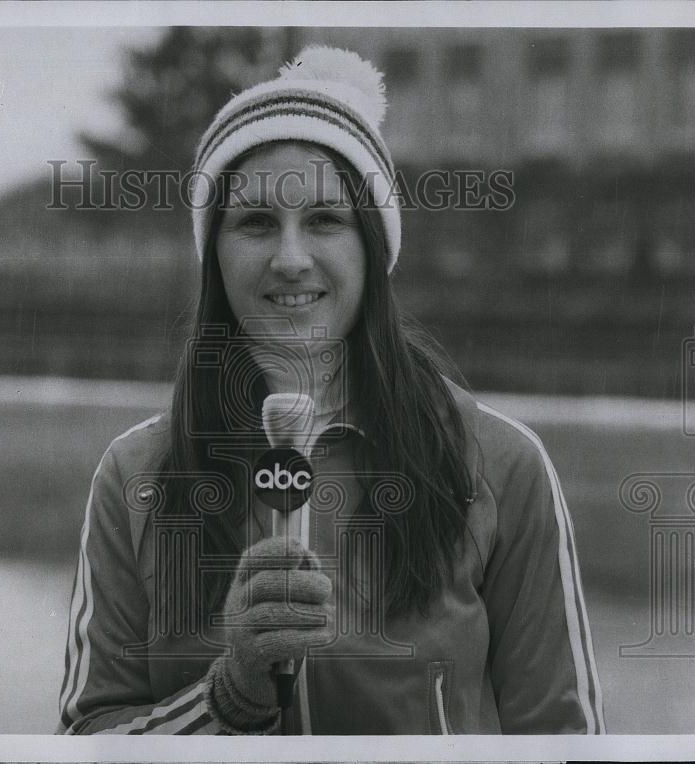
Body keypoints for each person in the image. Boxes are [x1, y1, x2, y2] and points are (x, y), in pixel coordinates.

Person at [56, 45, 605, 735]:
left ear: (373, 246)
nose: (290, 259)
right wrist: (228, 698)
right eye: (255, 222)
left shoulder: (503, 464)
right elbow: (87, 739)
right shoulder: (133, 476)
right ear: (214, 251)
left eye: (325, 220)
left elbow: (565, 739)